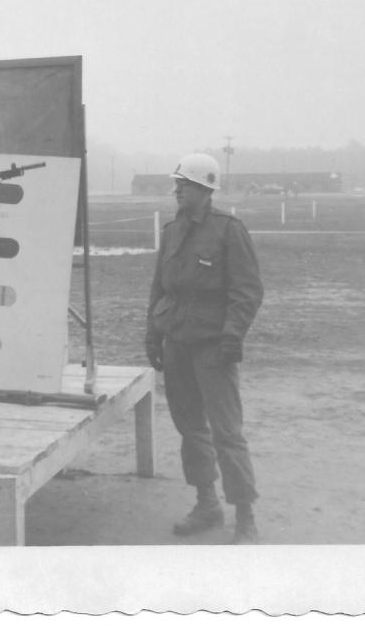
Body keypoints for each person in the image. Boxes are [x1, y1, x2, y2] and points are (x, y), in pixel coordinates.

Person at [145, 153, 264, 544]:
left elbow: (247, 291)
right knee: (190, 428)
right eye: (177, 184)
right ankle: (207, 503)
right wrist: (153, 333)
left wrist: (233, 336)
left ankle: (245, 516)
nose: (177, 190)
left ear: (204, 189)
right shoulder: (173, 230)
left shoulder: (229, 231)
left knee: (227, 432)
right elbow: (159, 286)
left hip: (213, 347)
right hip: (177, 342)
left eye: (184, 184)